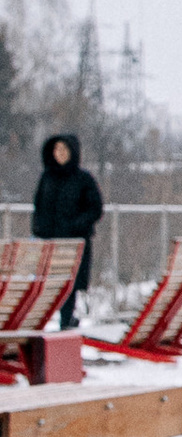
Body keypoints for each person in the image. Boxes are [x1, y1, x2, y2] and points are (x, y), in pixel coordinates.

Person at [32, 131, 103, 325]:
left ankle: (65, 322)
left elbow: (95, 208)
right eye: (56, 149)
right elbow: (38, 206)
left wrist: (76, 226)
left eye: (64, 149)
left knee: (69, 285)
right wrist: (39, 228)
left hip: (74, 243)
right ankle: (51, 323)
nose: (59, 153)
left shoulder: (83, 179)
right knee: (50, 285)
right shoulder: (47, 177)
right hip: (50, 242)